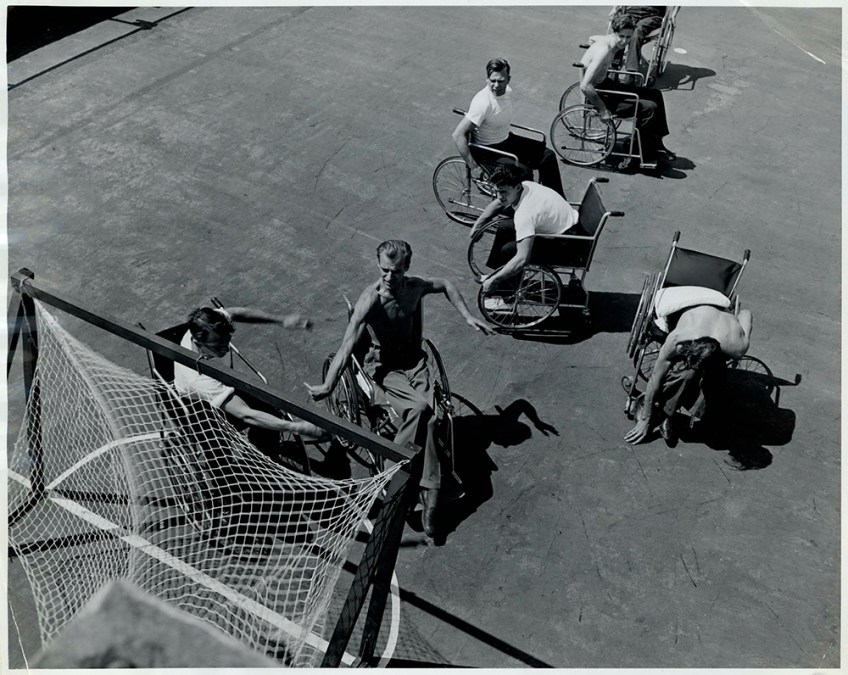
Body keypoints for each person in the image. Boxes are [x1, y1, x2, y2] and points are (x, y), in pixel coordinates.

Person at [305, 240, 494, 537]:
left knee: (433, 417)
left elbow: (446, 284)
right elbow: (346, 345)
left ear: (407, 267)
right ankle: (411, 482)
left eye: (395, 271)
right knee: (422, 410)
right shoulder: (372, 298)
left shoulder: (415, 287)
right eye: (384, 270)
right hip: (385, 368)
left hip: (413, 362)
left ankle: (422, 493)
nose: (389, 277)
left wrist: (468, 315)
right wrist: (329, 385)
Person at [174, 305, 329, 442]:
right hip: (200, 407)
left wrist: (281, 320)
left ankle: (266, 455)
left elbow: (234, 313)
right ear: (197, 342)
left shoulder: (209, 322)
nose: (227, 349)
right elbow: (245, 414)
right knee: (221, 452)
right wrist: (297, 427)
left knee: (269, 413)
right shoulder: (197, 378)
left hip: (224, 382)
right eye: (218, 346)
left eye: (227, 341)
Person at [624, 303, 753, 446]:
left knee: (714, 382)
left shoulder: (737, 347)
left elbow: (746, 313)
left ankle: (670, 411)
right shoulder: (678, 339)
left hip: (720, 324)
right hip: (692, 306)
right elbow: (655, 377)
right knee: (686, 374)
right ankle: (664, 410)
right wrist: (645, 420)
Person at [452, 57, 566, 197]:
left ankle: (558, 200)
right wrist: (473, 166)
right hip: (489, 150)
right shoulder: (483, 103)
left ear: (508, 79)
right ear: (487, 79)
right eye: (492, 81)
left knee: (547, 156)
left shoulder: (507, 92)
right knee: (524, 172)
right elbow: (457, 135)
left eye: (501, 81)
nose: (496, 86)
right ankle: (524, 209)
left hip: (506, 140)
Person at [580, 13, 674, 169]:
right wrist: (603, 110)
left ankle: (657, 142)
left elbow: (592, 38)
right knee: (648, 108)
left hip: (607, 85)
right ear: (614, 33)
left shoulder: (609, 40)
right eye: (621, 36)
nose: (624, 41)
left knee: (655, 94)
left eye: (628, 37)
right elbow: (585, 86)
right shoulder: (604, 50)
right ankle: (639, 155)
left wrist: (590, 47)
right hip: (600, 95)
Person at [469, 163, 580, 295]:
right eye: (497, 191)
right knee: (504, 227)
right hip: (570, 228)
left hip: (568, 246)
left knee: (510, 250)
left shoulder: (525, 213)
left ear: (516, 187)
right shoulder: (525, 185)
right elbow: (500, 203)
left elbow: (522, 259)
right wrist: (479, 223)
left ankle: (507, 296)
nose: (499, 196)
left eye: (503, 192)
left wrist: (495, 280)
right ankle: (497, 272)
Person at [611, 6, 667, 83]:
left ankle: (631, 73)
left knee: (636, 33)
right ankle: (614, 67)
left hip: (651, 14)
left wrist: (673, 15)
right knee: (622, 28)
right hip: (631, 11)